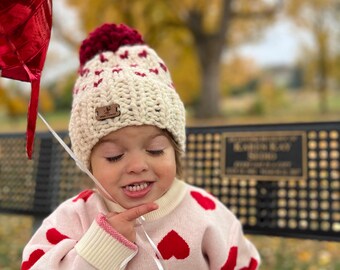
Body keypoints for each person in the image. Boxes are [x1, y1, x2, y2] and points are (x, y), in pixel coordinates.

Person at [21, 23, 260, 270]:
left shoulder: (205, 213)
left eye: (155, 150)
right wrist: (100, 248)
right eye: (114, 156)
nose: (136, 166)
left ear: (175, 152)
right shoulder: (74, 218)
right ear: (87, 162)